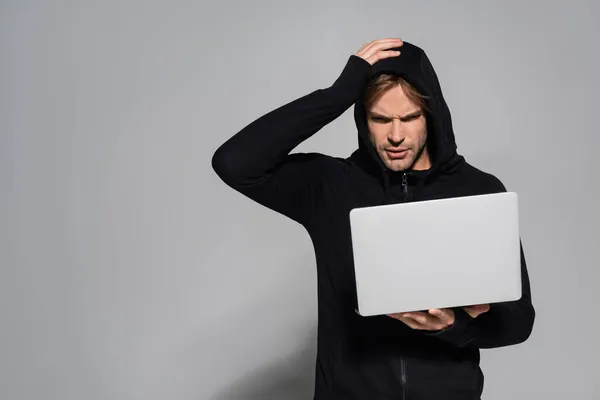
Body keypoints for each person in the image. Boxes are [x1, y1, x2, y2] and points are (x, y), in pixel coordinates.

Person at [211, 38, 535, 400]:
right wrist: (337, 94)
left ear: (431, 114)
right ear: (363, 119)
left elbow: (519, 320)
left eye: (410, 118)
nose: (396, 136)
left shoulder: (479, 189)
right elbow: (234, 163)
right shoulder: (331, 186)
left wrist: (453, 326)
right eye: (380, 119)